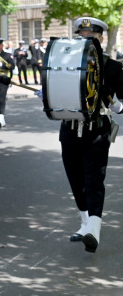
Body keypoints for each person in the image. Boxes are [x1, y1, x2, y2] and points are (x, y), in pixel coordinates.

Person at [52, 17, 123, 253]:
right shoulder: (64, 64)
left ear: (100, 39)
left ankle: (94, 226)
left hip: (97, 132)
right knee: (76, 179)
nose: (85, 40)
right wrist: (47, 92)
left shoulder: (112, 67)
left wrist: (117, 105)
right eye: (81, 36)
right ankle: (85, 223)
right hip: (70, 130)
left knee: (95, 178)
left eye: (90, 37)